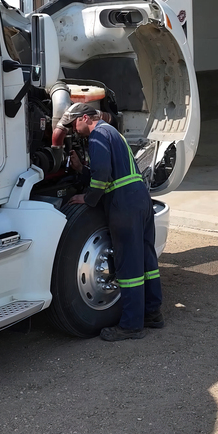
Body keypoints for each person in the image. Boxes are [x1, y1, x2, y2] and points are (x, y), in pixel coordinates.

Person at [59, 102, 163, 341]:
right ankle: (152, 313)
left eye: (74, 124)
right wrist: (81, 169)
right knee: (146, 258)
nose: (74, 130)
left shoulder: (97, 136)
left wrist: (88, 198)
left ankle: (130, 325)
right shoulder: (112, 132)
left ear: (85, 118)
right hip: (140, 198)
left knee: (128, 265)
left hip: (124, 203)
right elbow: (110, 171)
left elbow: (103, 175)